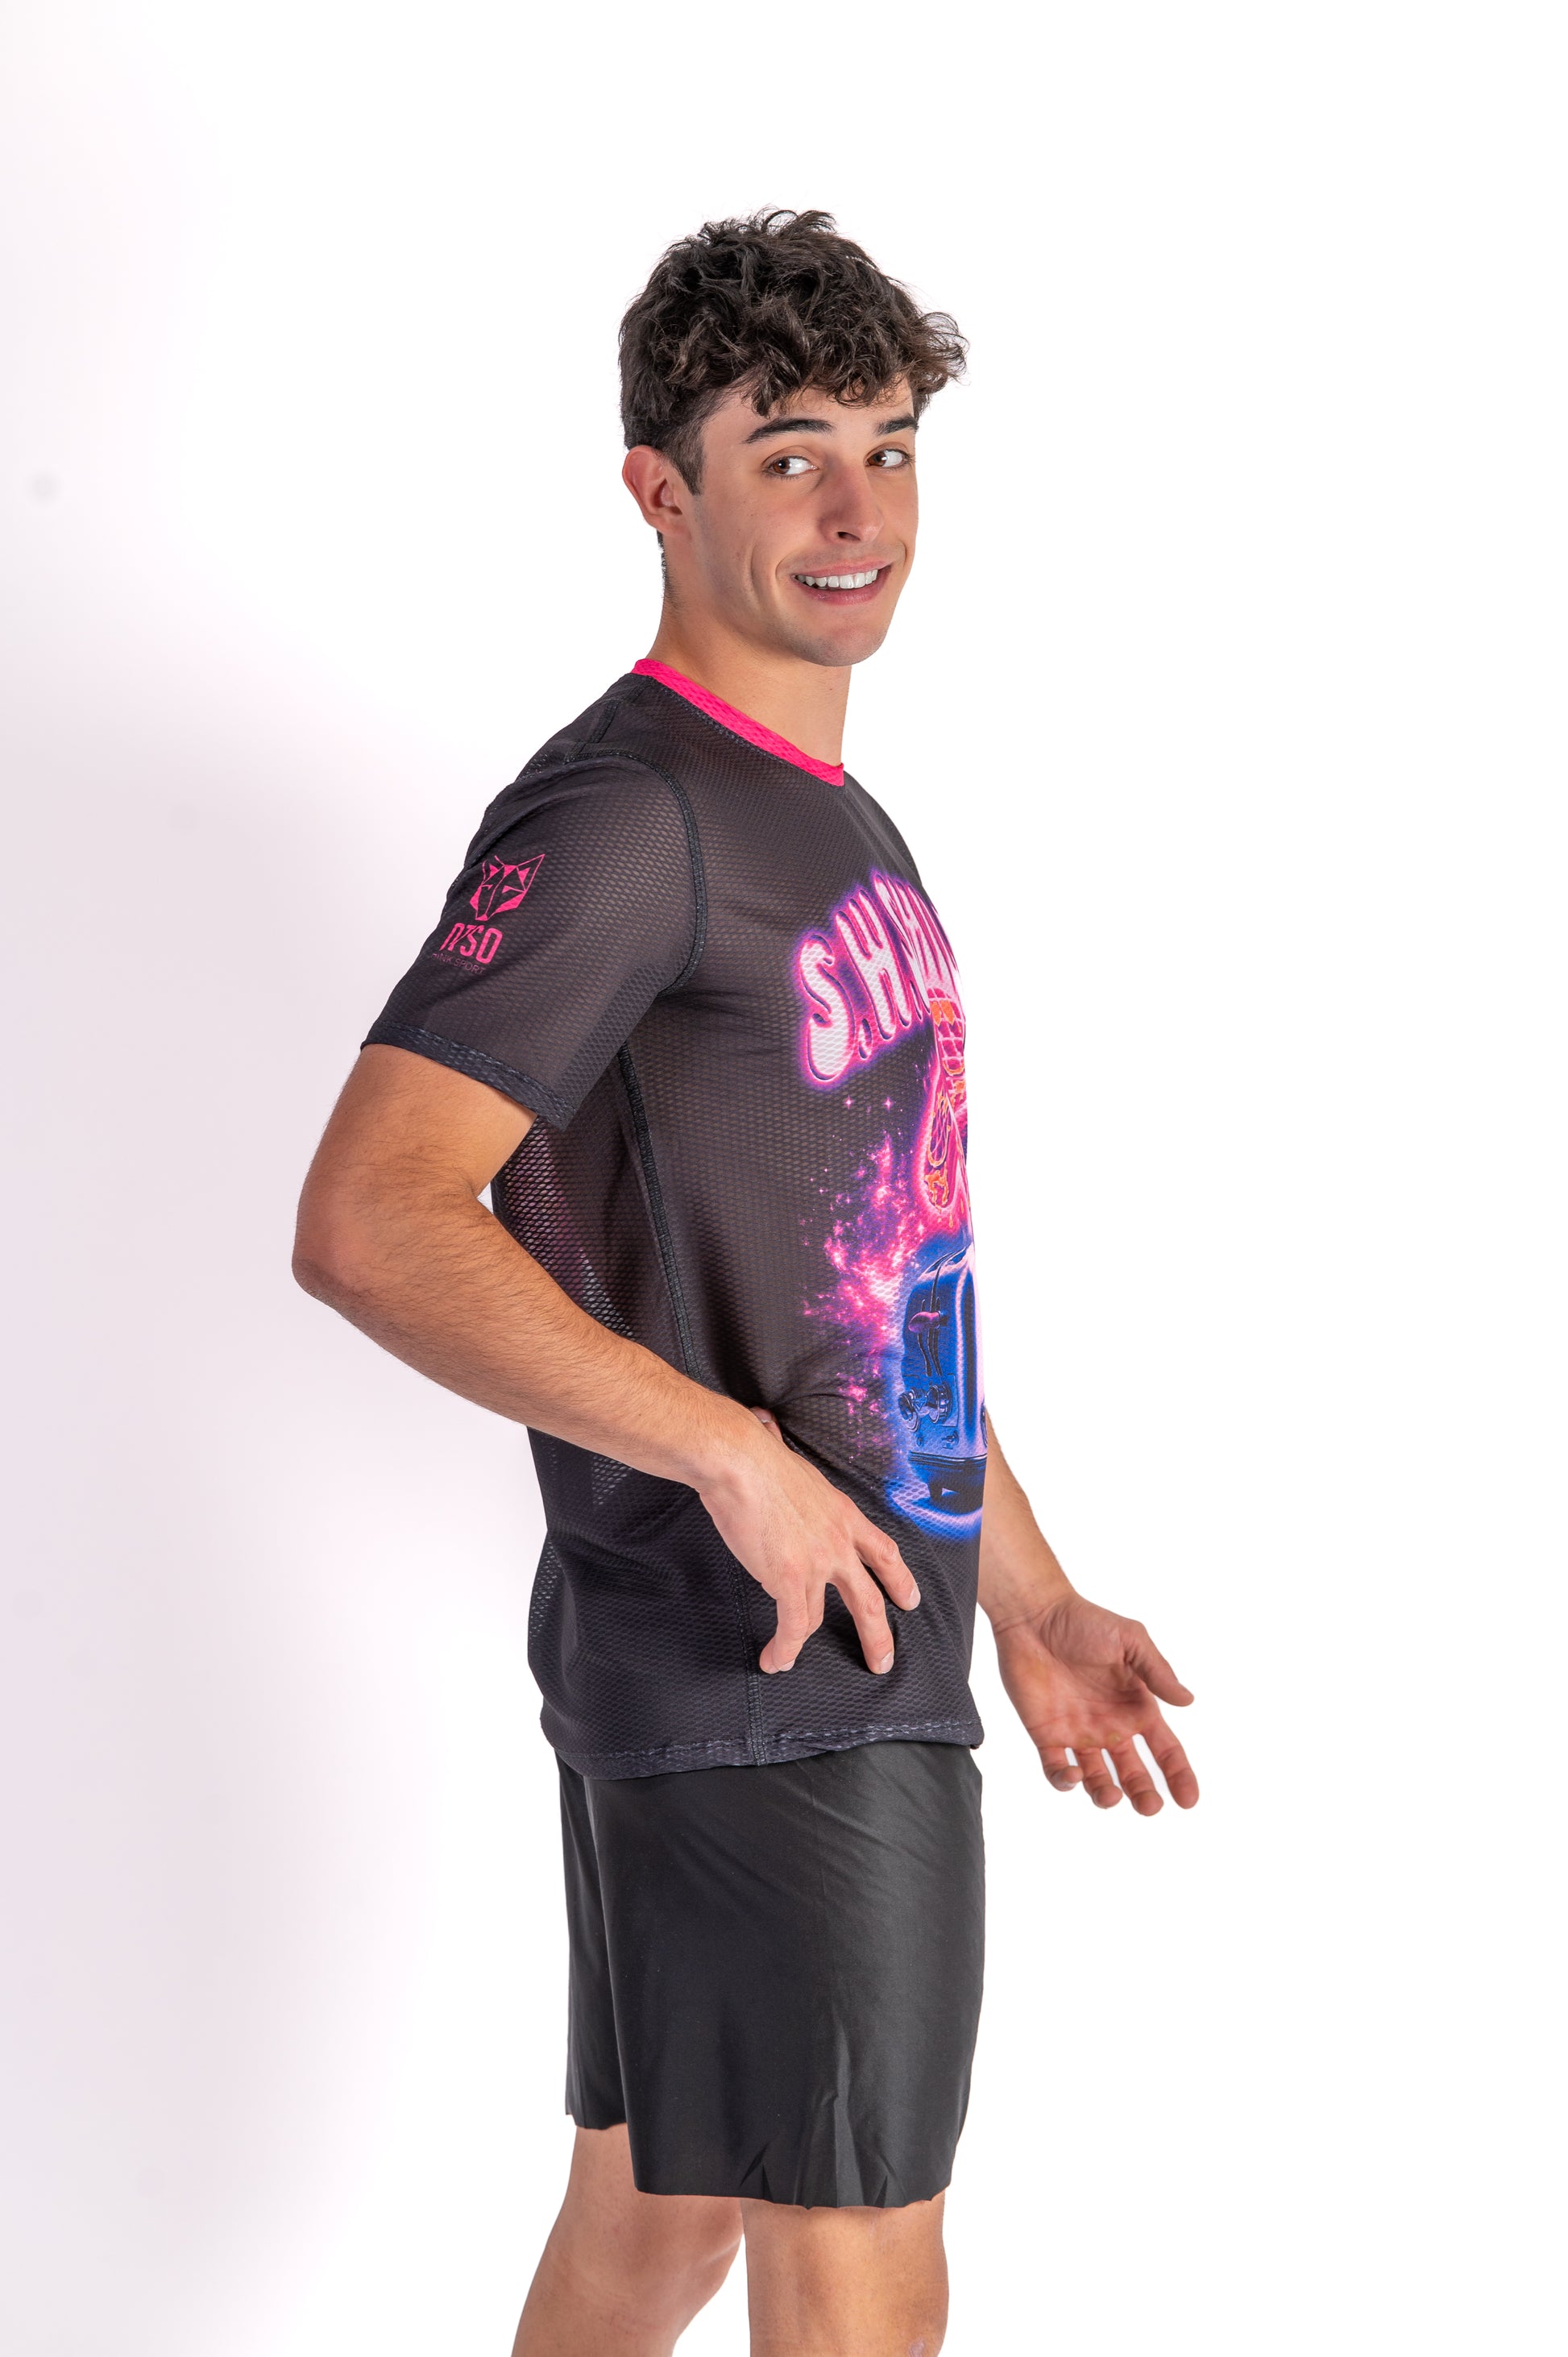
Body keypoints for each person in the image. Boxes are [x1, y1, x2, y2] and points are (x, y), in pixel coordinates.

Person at [293, 208, 1199, 2357]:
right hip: (770, 1668)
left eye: (889, 449)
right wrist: (735, 1462)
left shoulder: (837, 826)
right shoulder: (631, 817)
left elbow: (876, 1275)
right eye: (788, 455)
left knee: (663, 2213)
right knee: (857, 2259)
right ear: (660, 489)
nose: (856, 510)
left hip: (812, 1648)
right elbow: (373, 1217)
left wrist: (1028, 1594)